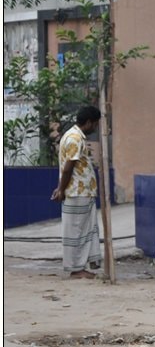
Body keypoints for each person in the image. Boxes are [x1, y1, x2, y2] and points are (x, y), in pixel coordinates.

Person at [50, 105, 102, 279]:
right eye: (95, 124)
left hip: (81, 192)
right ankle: (76, 269)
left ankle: (85, 264)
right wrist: (61, 189)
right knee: (77, 231)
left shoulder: (74, 136)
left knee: (86, 229)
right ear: (88, 122)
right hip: (77, 192)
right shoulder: (74, 138)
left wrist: (60, 188)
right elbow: (67, 169)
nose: (95, 128)